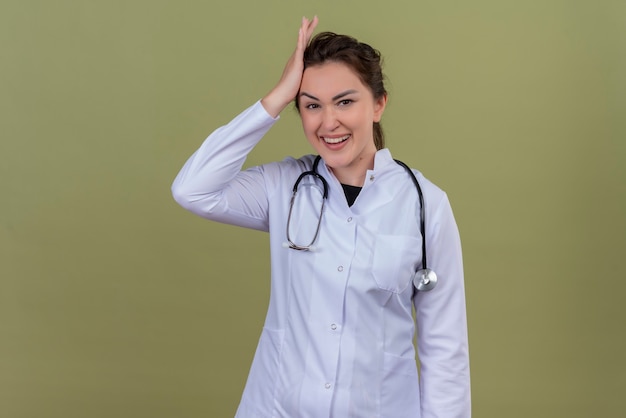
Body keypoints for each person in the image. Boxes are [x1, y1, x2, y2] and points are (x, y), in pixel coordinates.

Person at [172, 16, 470, 418]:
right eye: (311, 105)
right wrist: (276, 97)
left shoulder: (426, 205)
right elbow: (193, 189)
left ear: (378, 104)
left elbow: (445, 349)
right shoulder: (284, 187)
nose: (328, 122)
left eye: (345, 101)